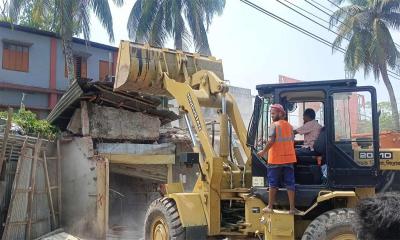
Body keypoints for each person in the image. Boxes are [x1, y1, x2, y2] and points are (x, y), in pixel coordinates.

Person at [257, 104, 298, 214]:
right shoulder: (290, 126)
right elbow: (288, 141)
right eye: (271, 113)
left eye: (273, 113)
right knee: (290, 183)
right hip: (289, 159)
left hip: (275, 160)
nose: (272, 115)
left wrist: (263, 152)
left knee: (273, 183)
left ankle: (270, 207)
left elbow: (272, 141)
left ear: (280, 113)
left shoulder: (274, 125)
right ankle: (292, 209)